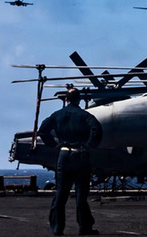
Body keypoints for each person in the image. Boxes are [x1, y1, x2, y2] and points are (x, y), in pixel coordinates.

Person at [39, 88, 102, 236]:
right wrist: (90, 145)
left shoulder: (57, 115)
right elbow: (96, 129)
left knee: (61, 193)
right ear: (79, 99)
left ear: (66, 99)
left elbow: (43, 130)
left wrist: (53, 145)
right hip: (80, 155)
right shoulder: (85, 116)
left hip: (64, 155)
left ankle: (57, 228)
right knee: (81, 194)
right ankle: (84, 227)